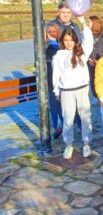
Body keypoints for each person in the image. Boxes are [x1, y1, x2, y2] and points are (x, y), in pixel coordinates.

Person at [52, 16, 93, 159]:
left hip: (82, 89)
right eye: (66, 40)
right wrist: (57, 91)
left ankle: (87, 143)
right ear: (63, 41)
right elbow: (56, 74)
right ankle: (69, 145)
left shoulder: (82, 53)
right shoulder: (58, 56)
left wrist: (83, 23)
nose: (69, 43)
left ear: (76, 40)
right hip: (67, 91)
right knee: (68, 119)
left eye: (72, 39)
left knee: (85, 117)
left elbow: (89, 41)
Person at [38, 23, 63, 156]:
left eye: (54, 31)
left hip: (62, 80)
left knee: (62, 104)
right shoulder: (43, 47)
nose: (52, 33)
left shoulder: (61, 45)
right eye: (49, 31)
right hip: (50, 81)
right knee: (54, 106)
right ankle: (57, 126)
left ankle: (64, 125)